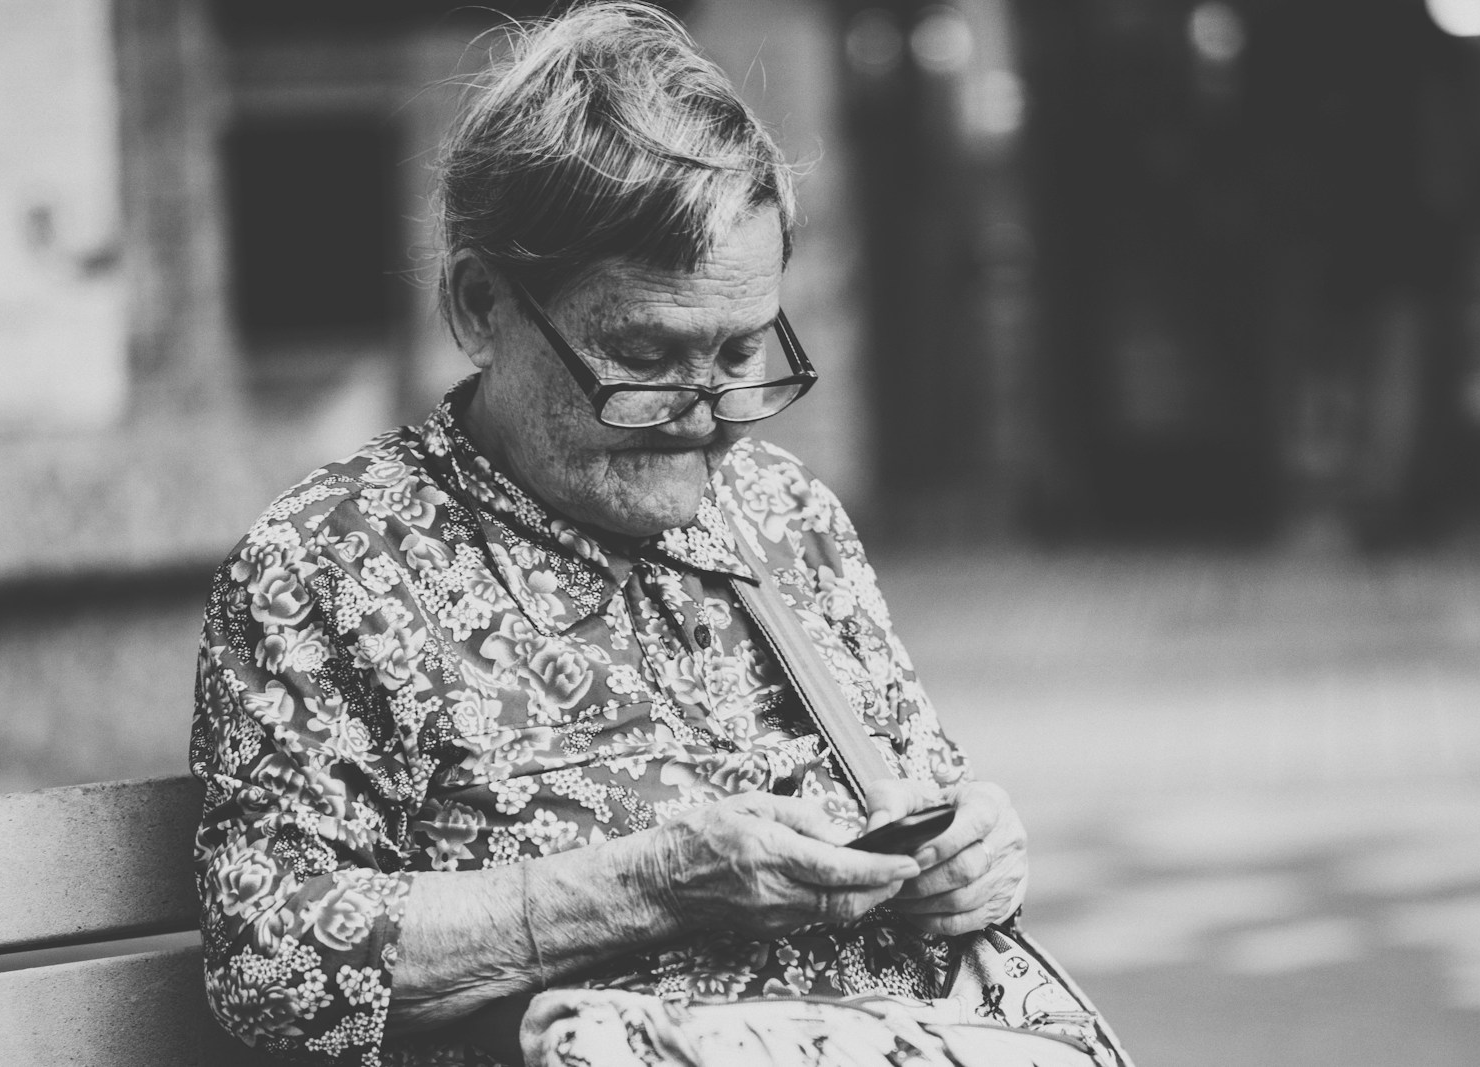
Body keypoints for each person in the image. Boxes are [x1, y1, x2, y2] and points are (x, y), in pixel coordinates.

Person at [190, 5, 1126, 1065]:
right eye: (645, 353)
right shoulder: (331, 563)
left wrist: (974, 853)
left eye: (737, 352)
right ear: (481, 303)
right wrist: (654, 880)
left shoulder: (783, 512)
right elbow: (270, 959)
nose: (710, 413)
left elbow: (926, 799)